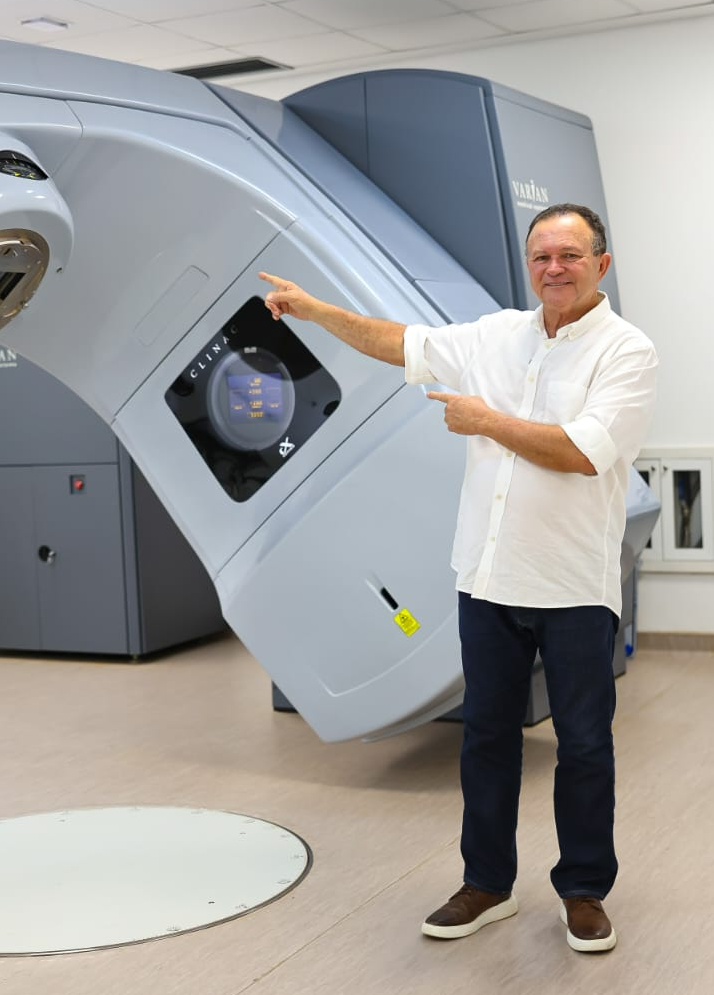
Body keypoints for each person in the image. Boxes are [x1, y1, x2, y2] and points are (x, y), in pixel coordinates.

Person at [259, 203, 657, 954]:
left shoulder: (627, 352)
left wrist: (486, 421)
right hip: (488, 574)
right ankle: (487, 883)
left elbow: (583, 451)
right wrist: (313, 310)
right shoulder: (495, 336)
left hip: (573, 584)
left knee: (583, 744)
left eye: (570, 255)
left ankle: (583, 891)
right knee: (487, 737)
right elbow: (400, 342)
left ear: (601, 264)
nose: (554, 268)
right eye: (541, 256)